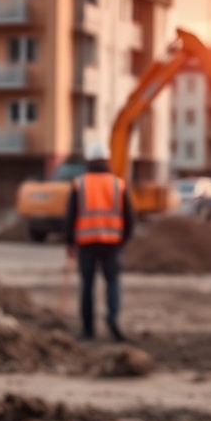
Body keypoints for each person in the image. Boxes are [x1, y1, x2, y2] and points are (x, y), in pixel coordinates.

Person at [63, 140, 135, 342]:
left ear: (89, 160)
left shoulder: (80, 184)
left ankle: (88, 329)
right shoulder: (117, 184)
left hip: (86, 242)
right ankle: (112, 318)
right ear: (106, 159)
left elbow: (70, 216)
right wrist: (123, 240)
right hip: (112, 242)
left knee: (87, 285)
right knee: (112, 282)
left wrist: (69, 243)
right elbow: (130, 217)